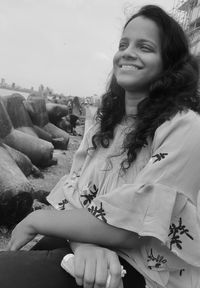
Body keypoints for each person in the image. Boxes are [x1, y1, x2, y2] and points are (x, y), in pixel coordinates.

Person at [0, 4, 200, 288]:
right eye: (123, 44)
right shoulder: (104, 123)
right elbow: (75, 196)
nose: (127, 52)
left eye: (144, 47)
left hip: (142, 267)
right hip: (89, 242)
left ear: (170, 63)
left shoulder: (185, 127)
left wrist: (36, 219)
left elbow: (134, 224)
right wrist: (84, 244)